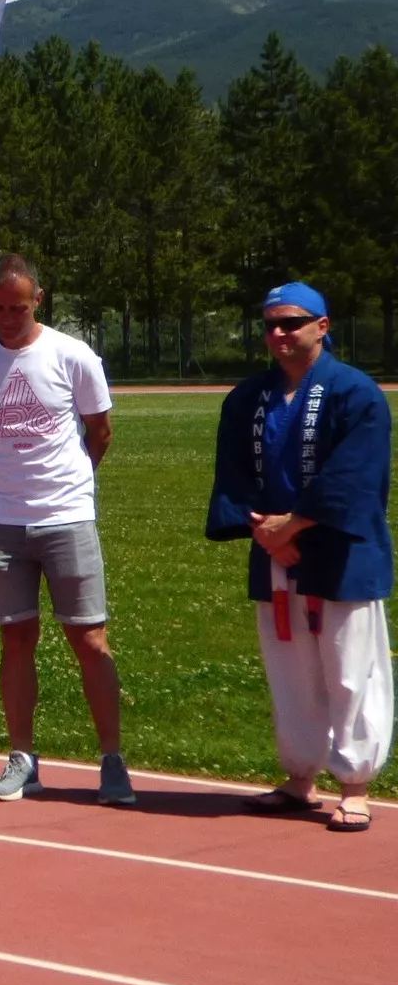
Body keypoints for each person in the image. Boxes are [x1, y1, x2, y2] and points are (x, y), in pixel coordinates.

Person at [207, 281, 393, 831]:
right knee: (290, 670)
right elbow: (235, 472)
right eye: (270, 324)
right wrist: (267, 531)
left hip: (340, 550)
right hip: (276, 552)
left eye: (291, 323)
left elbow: (356, 474)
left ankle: (355, 782)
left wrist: (297, 523)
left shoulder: (354, 393)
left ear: (322, 326)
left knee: (350, 668)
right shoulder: (249, 398)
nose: (279, 334)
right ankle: (299, 776)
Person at [0, 254, 133, 805]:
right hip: (2, 520)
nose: (7, 318)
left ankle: (112, 762)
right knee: (16, 639)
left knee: (89, 638)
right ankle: (23, 759)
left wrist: (72, 485)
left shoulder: (72, 355)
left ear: (39, 300)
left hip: (67, 518)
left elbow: (99, 431)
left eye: (18, 307)